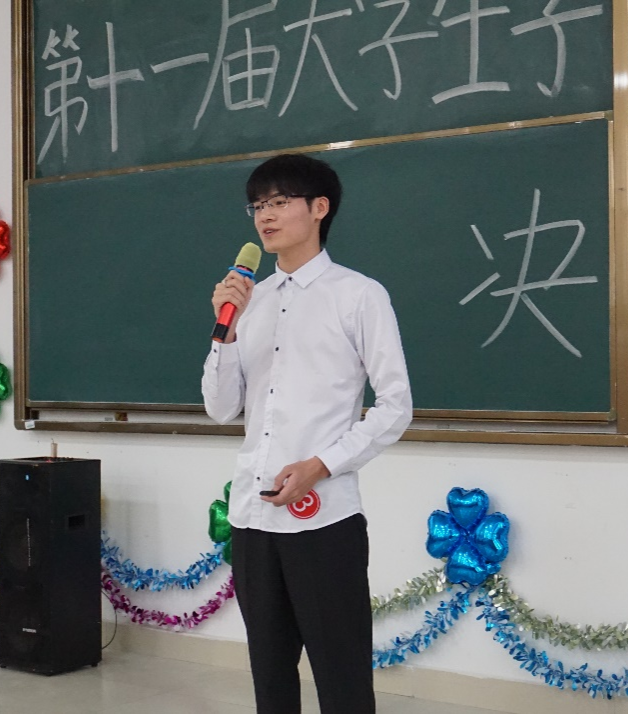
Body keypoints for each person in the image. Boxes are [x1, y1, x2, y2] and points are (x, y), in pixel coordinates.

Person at [202, 153, 412, 713]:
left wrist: (321, 465)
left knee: (341, 677)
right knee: (270, 677)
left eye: (279, 202)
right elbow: (221, 408)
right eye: (257, 205)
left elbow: (395, 406)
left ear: (319, 208)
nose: (265, 216)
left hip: (324, 519)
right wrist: (225, 331)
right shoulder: (252, 301)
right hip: (252, 517)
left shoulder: (358, 295)